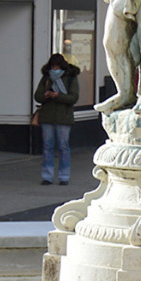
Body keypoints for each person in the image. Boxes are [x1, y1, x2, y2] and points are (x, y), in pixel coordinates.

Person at [35, 53, 80, 185]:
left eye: (57, 66)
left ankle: (64, 176)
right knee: (47, 147)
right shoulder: (46, 78)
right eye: (53, 67)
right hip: (47, 116)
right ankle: (47, 176)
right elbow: (37, 96)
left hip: (64, 117)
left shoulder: (71, 78)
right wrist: (46, 95)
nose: (55, 69)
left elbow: (73, 98)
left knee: (63, 147)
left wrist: (58, 96)